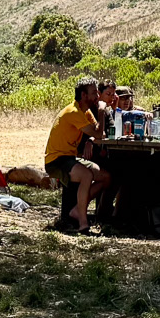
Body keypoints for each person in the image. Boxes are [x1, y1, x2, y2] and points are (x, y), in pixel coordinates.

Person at [45, 79, 113, 233]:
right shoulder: (74, 112)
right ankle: (83, 224)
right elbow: (97, 132)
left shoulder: (86, 112)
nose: (97, 96)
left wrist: (93, 133)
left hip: (70, 158)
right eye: (94, 93)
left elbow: (99, 134)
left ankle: (77, 209)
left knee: (105, 177)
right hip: (56, 160)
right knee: (87, 175)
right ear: (83, 95)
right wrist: (102, 111)